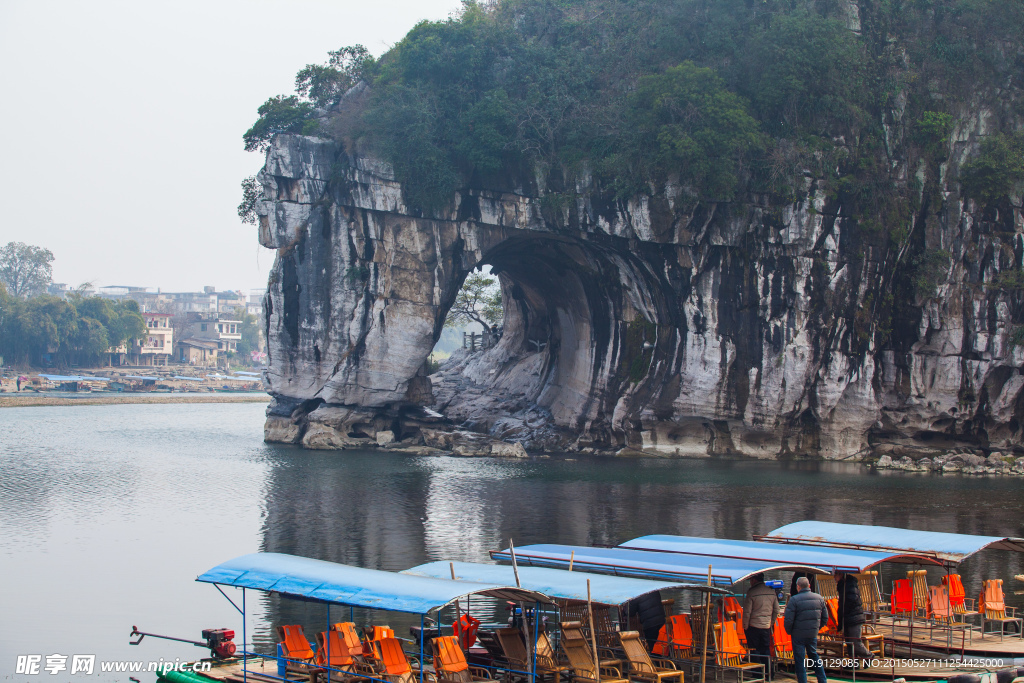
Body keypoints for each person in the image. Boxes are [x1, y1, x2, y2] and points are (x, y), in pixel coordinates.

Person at [784, 576, 829, 683]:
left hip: (798, 634)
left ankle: (802, 681)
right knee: (814, 655)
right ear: (809, 586)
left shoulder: (794, 600)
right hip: (812, 633)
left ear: (798, 587)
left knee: (800, 660)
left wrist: (789, 631)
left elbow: (788, 620)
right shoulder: (819, 598)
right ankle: (822, 680)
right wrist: (817, 627)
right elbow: (825, 617)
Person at [744, 573, 779, 680]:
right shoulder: (771, 592)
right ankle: (769, 674)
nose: (750, 582)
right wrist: (771, 622)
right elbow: (776, 610)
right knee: (766, 650)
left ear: (754, 580)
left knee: (754, 651)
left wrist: (745, 626)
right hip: (766, 626)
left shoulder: (752, 592)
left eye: (751, 580)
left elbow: (747, 612)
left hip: (753, 626)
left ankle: (757, 674)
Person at [837, 574, 871, 659]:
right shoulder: (842, 585)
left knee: (855, 642)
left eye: (835, 575)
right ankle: (853, 662)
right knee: (849, 642)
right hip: (848, 617)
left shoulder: (849, 584)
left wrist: (845, 608)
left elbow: (852, 599)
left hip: (854, 617)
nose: (834, 577)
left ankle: (868, 656)